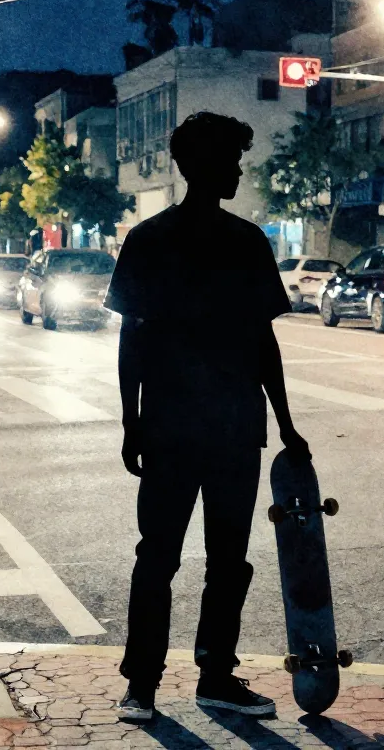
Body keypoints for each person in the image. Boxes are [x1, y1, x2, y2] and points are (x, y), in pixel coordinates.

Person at [104, 112, 310, 724]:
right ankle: (213, 675)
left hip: (172, 425)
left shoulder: (148, 239)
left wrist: (131, 420)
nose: (239, 170)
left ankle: (142, 684)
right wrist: (284, 420)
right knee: (227, 557)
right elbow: (262, 343)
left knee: (158, 555)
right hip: (230, 426)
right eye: (232, 160)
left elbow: (131, 342)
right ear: (204, 165)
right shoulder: (245, 242)